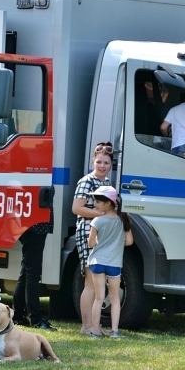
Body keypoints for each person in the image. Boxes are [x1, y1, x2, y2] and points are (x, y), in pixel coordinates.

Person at [70, 142, 114, 334]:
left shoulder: (107, 184)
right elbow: (77, 208)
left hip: (103, 235)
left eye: (106, 162)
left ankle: (94, 326)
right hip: (87, 232)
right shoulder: (86, 181)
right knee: (90, 281)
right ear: (93, 162)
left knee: (99, 283)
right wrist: (102, 215)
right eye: (99, 162)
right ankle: (86, 326)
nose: (102, 166)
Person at [87, 186, 133, 339]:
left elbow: (91, 243)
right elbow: (130, 241)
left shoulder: (97, 221)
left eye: (98, 201)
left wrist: (102, 243)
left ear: (108, 203)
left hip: (98, 261)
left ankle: (95, 331)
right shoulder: (123, 220)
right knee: (114, 298)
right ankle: (114, 331)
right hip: (114, 263)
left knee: (99, 297)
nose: (95, 204)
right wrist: (117, 244)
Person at [12, 186, 55, 331]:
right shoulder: (40, 174)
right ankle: (35, 319)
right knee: (32, 273)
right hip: (36, 225)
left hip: (31, 224)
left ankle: (18, 315)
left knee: (26, 271)